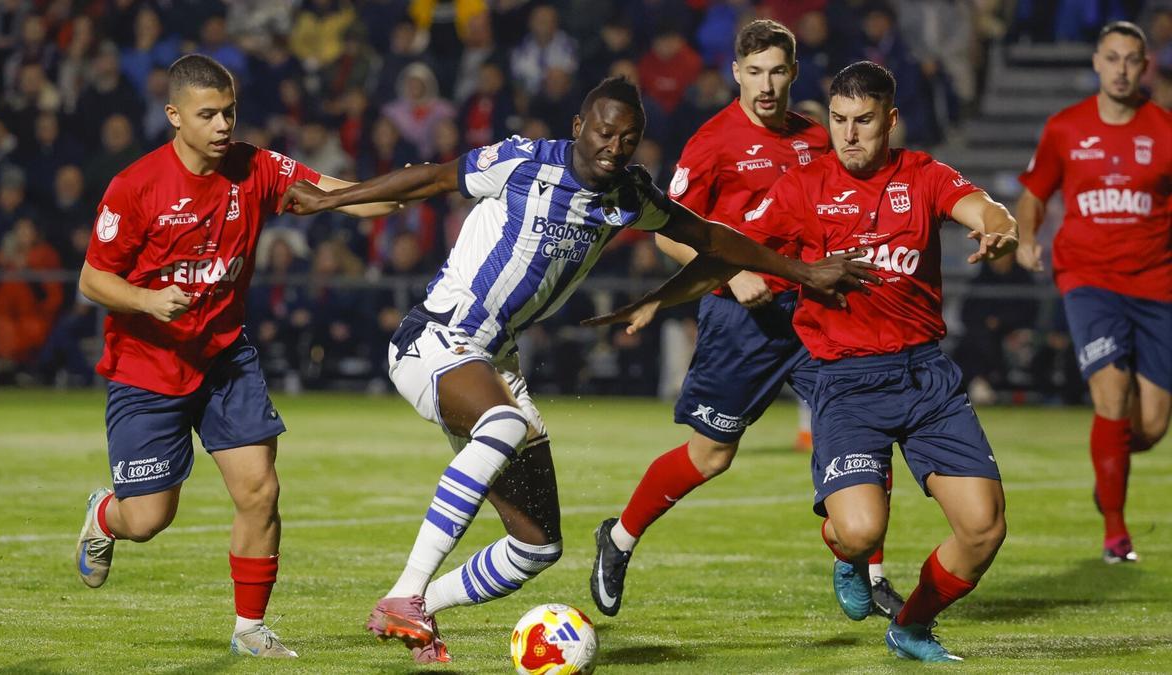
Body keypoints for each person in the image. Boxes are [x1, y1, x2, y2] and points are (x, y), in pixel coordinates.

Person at [278, 76, 878, 664]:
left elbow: (714, 240)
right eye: (604, 133)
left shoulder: (629, 196)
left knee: (536, 547)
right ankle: (407, 590)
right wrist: (335, 199)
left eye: (628, 139)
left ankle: (413, 606)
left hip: (495, 360)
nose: (613, 148)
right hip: (437, 337)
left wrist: (801, 272)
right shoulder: (521, 161)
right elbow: (432, 176)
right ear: (578, 127)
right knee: (505, 427)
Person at [591, 61, 1014, 662]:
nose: (848, 134)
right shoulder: (781, 174)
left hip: (922, 376)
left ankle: (910, 624)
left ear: (889, 121)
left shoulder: (919, 173)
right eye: (840, 120)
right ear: (739, 72)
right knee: (738, 466)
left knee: (984, 528)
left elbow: (983, 207)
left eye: (863, 121)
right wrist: (660, 299)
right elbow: (724, 245)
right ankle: (631, 536)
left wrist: (1001, 229)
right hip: (811, 356)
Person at [73, 54, 398, 659]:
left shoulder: (257, 167)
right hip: (148, 368)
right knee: (147, 519)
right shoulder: (135, 186)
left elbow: (340, 194)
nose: (223, 125)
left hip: (225, 358)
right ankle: (105, 515)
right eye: (208, 114)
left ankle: (250, 627)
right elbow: (93, 279)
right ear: (174, 116)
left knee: (260, 490)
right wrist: (145, 299)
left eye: (229, 112)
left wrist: (407, 188)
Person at [589, 19, 904, 622]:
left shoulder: (817, 137)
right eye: (754, 72)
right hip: (743, 319)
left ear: (793, 74)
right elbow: (667, 237)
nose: (766, 85)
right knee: (712, 455)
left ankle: (868, 565)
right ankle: (620, 536)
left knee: (862, 428)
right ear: (736, 72)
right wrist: (732, 274)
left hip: (815, 313)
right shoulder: (712, 143)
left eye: (777, 72)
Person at [1015, 21, 1170, 565]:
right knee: (1110, 395)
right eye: (1112, 58)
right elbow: (1034, 193)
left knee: (1149, 427)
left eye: (1132, 59)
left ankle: (1110, 470)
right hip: (1087, 280)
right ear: (1097, 63)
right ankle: (1115, 533)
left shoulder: (1165, 130)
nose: (1122, 68)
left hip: (1156, 284)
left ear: (1144, 65)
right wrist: (1028, 237)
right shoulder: (1065, 128)